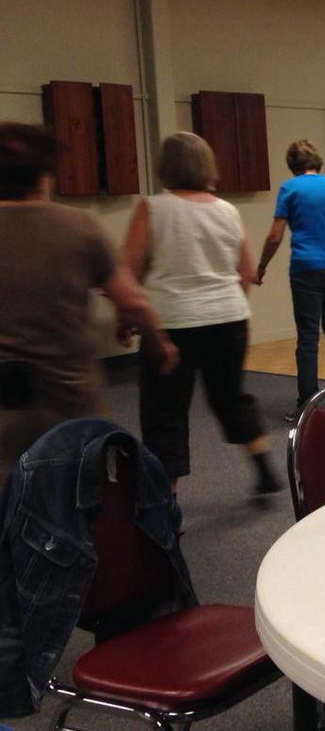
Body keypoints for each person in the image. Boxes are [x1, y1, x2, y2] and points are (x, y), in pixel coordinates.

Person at [0, 122, 176, 481]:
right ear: (44, 176)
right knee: (77, 495)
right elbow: (132, 301)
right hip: (67, 397)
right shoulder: (78, 226)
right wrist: (159, 344)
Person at [122, 132, 280, 496]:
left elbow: (128, 266)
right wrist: (226, 304)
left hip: (173, 321)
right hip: (229, 318)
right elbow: (245, 271)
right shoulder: (226, 210)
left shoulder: (153, 207)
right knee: (231, 396)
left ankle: (167, 498)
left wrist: (127, 316)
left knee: (165, 409)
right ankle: (263, 466)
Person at [255, 140, 325, 419]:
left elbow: (274, 235)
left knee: (307, 335)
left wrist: (261, 266)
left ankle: (307, 402)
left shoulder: (289, 189)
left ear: (292, 165)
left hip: (307, 268)